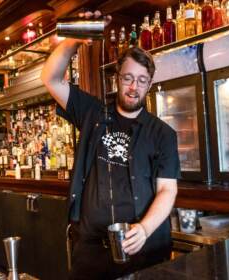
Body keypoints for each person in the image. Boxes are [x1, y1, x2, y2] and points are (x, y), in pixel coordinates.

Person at [41, 11, 180, 280]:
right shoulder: (92, 113)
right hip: (92, 251)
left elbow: (167, 190)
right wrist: (77, 36)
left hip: (146, 251)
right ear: (116, 77)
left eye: (141, 81)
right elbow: (51, 78)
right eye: (128, 78)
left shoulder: (163, 134)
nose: (133, 87)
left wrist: (144, 229)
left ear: (149, 85)